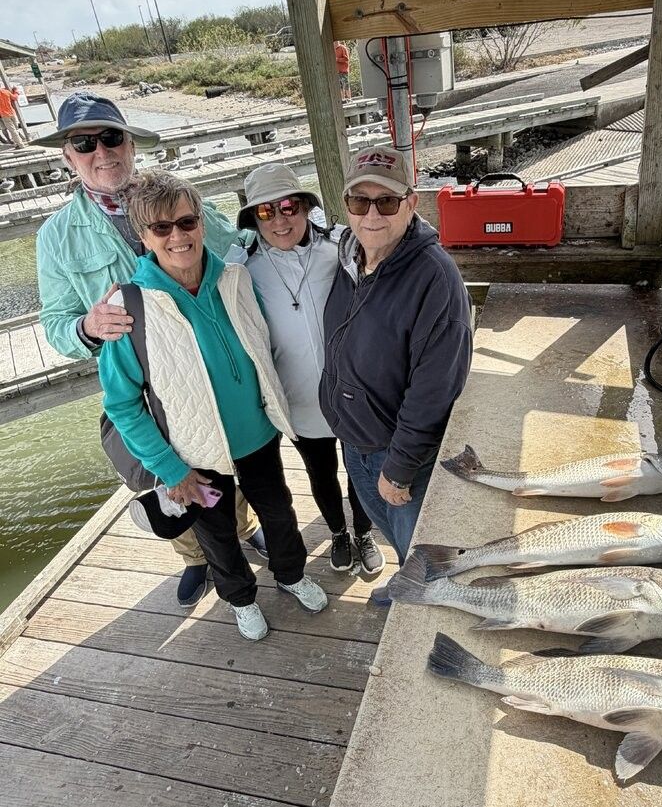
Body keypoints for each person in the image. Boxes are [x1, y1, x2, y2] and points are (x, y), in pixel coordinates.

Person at [33, 91, 266, 607]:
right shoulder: (55, 236)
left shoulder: (176, 196)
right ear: (67, 157)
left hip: (205, 369)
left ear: (131, 143)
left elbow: (235, 246)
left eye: (111, 136)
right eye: (84, 142)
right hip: (140, 385)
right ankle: (196, 557)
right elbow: (53, 324)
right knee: (167, 473)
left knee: (223, 457)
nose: (102, 150)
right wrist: (88, 326)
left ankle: (242, 530)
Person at [98, 171, 328, 641]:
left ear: (201, 223)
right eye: (161, 228)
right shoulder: (130, 306)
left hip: (258, 436)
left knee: (279, 511)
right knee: (217, 533)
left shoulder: (235, 278)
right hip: (194, 455)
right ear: (143, 236)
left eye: (186, 222)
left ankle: (290, 574)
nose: (178, 236)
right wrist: (168, 467)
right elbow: (123, 404)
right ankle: (241, 598)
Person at [319, 146, 472, 603]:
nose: (371, 215)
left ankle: (419, 597)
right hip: (357, 442)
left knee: (419, 545)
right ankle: (406, 578)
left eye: (386, 202)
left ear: (411, 203)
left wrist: (400, 468)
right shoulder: (347, 258)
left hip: (401, 455)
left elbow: (435, 390)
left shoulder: (436, 281)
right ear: (345, 206)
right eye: (359, 202)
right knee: (387, 528)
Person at [236, 163, 386, 577]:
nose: (280, 219)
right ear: (253, 219)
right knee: (320, 472)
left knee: (362, 471)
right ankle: (337, 532)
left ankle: (364, 531)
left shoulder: (339, 247)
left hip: (354, 392)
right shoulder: (242, 270)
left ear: (305, 207)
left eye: (288, 206)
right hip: (298, 395)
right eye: (266, 212)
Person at [0, 85, 25, 149]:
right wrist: (16, 91)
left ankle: (20, 144)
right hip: (12, 113)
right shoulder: (6, 92)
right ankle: (19, 142)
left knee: (12, 130)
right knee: (16, 129)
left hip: (5, 115)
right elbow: (15, 98)